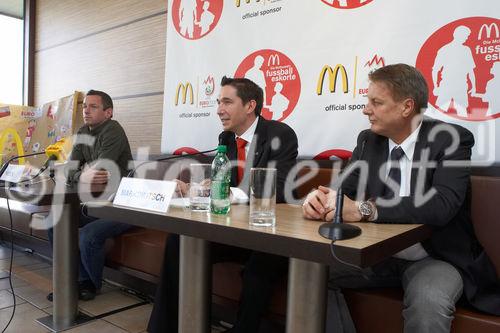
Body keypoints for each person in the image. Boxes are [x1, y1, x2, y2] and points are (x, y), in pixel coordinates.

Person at [303, 64, 500, 333]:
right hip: (377, 255)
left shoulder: (451, 139)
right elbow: (342, 190)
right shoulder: (368, 141)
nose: (365, 109)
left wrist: (364, 209)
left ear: (406, 107)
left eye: (376, 102)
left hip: (435, 257)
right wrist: (320, 198)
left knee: (429, 302)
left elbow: (442, 205)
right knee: (310, 274)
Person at [148, 77, 298, 333]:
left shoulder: (279, 134)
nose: (219, 109)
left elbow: (279, 187)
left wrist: (227, 192)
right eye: (218, 102)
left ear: (250, 105)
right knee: (179, 240)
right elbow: (222, 184)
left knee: (259, 266)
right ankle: (168, 327)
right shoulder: (226, 138)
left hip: (268, 233)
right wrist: (197, 189)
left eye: (227, 102)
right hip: (233, 230)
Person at [47, 90, 134, 301]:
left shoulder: (113, 130)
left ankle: (89, 284)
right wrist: (80, 175)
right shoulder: (83, 131)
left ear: (108, 112)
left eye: (93, 106)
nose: (86, 110)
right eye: (85, 106)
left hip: (123, 205)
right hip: (96, 202)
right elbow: (71, 169)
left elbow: (99, 173)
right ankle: (75, 279)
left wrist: (78, 175)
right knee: (54, 222)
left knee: (88, 234)